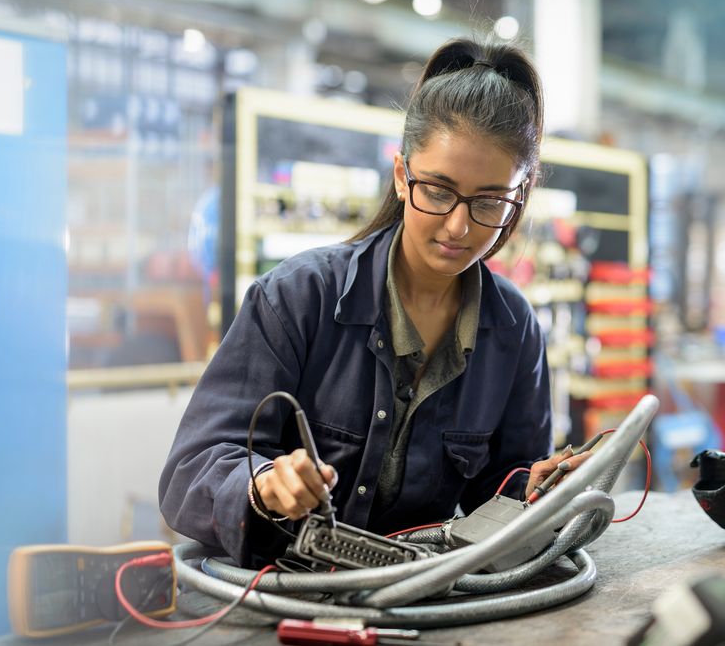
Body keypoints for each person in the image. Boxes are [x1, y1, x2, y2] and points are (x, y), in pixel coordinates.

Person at [159, 37, 590, 568]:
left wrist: (534, 491)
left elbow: (498, 493)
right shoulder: (298, 297)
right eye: (438, 190)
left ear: (517, 199)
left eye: (489, 202)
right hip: (280, 592)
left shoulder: (514, 329)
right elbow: (190, 470)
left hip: (415, 597)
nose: (459, 226)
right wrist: (263, 484)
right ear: (402, 175)